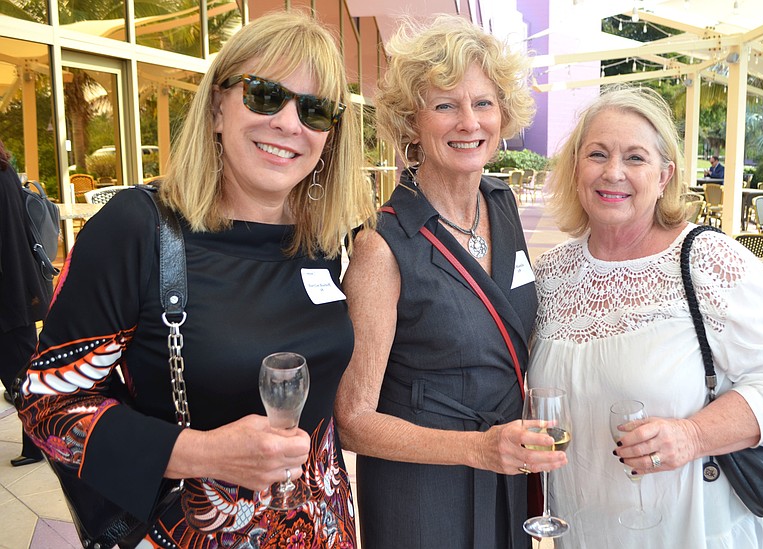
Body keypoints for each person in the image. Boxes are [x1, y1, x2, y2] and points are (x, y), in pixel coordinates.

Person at [17, 10, 374, 548]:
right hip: (197, 534)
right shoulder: (137, 230)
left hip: (323, 529)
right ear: (215, 108)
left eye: (315, 110)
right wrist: (203, 452)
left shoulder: (318, 241)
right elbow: (46, 406)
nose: (288, 122)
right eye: (263, 94)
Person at [528, 86, 763, 548]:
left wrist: (693, 434)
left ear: (665, 176)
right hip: (589, 529)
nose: (613, 172)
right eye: (597, 154)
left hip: (698, 528)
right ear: (576, 168)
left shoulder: (709, 260)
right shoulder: (552, 274)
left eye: (636, 158)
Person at [335, 15, 565, 549]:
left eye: (483, 103)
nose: (469, 122)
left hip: (506, 469)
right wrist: (477, 449)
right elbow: (352, 420)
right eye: (445, 105)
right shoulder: (382, 247)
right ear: (411, 123)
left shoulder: (502, 208)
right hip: (424, 490)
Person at [0, 138, 48, 468]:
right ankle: (40, 439)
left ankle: (40, 441)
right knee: (21, 369)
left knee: (19, 373)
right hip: (17, 288)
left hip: (8, 295)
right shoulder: (6, 170)